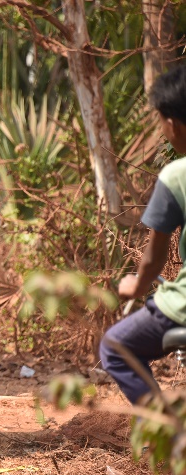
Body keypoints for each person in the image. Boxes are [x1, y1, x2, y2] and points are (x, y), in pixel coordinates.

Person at [100, 65, 186, 405]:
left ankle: (165, 438)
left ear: (172, 123)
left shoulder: (177, 176)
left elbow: (153, 259)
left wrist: (135, 285)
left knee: (115, 347)